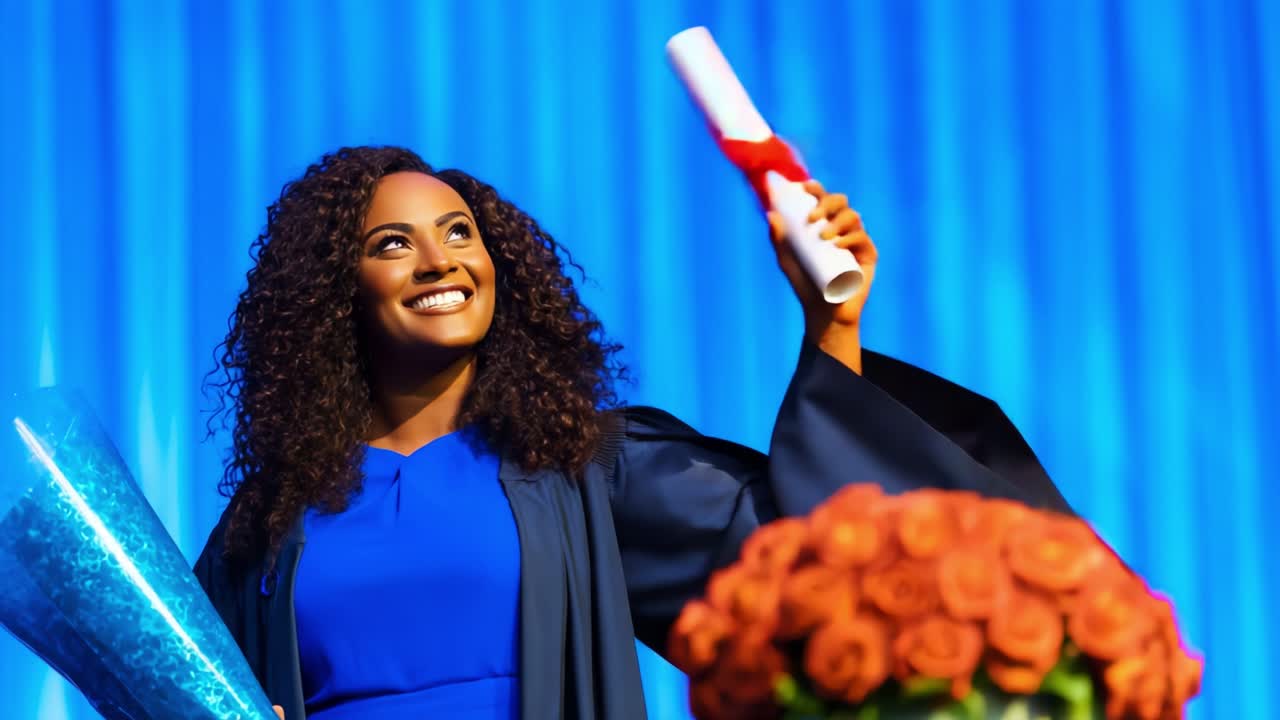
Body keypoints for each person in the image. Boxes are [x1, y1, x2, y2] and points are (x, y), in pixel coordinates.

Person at [194, 145, 1070, 720]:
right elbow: (173, 679)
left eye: (459, 232)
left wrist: (830, 327)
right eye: (392, 244)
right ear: (330, 296)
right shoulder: (271, 520)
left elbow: (806, 563)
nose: (439, 261)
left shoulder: (577, 468)